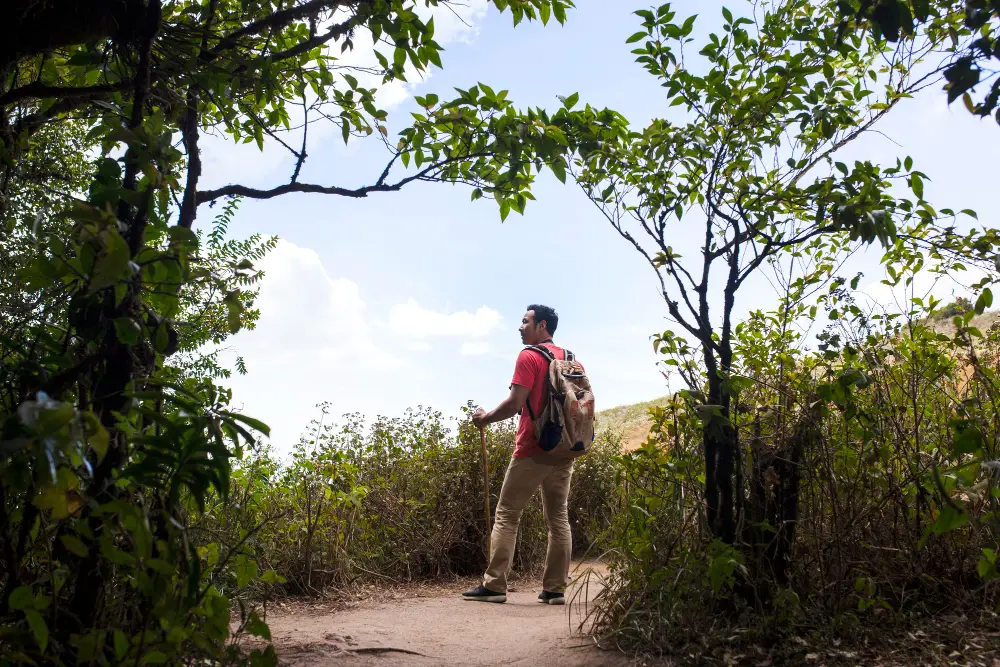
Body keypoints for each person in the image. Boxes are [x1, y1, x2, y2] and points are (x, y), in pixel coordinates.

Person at [462, 304, 579, 605]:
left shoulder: (529, 356)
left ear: (542, 326)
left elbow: (516, 404)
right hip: (565, 449)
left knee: (507, 514)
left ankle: (494, 585)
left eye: (525, 321)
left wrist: (485, 418)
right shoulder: (570, 359)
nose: (520, 326)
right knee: (558, 518)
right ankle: (554, 589)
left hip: (533, 447)